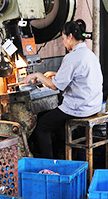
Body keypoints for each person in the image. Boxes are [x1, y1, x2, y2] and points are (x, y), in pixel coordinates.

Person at [22, 19, 103, 158]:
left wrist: (38, 75)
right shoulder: (89, 54)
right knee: (58, 124)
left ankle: (49, 164)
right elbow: (78, 76)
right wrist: (56, 74)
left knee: (42, 126)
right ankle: (65, 157)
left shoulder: (72, 57)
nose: (63, 42)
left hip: (80, 108)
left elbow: (55, 86)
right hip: (93, 105)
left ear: (70, 36)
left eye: (63, 38)